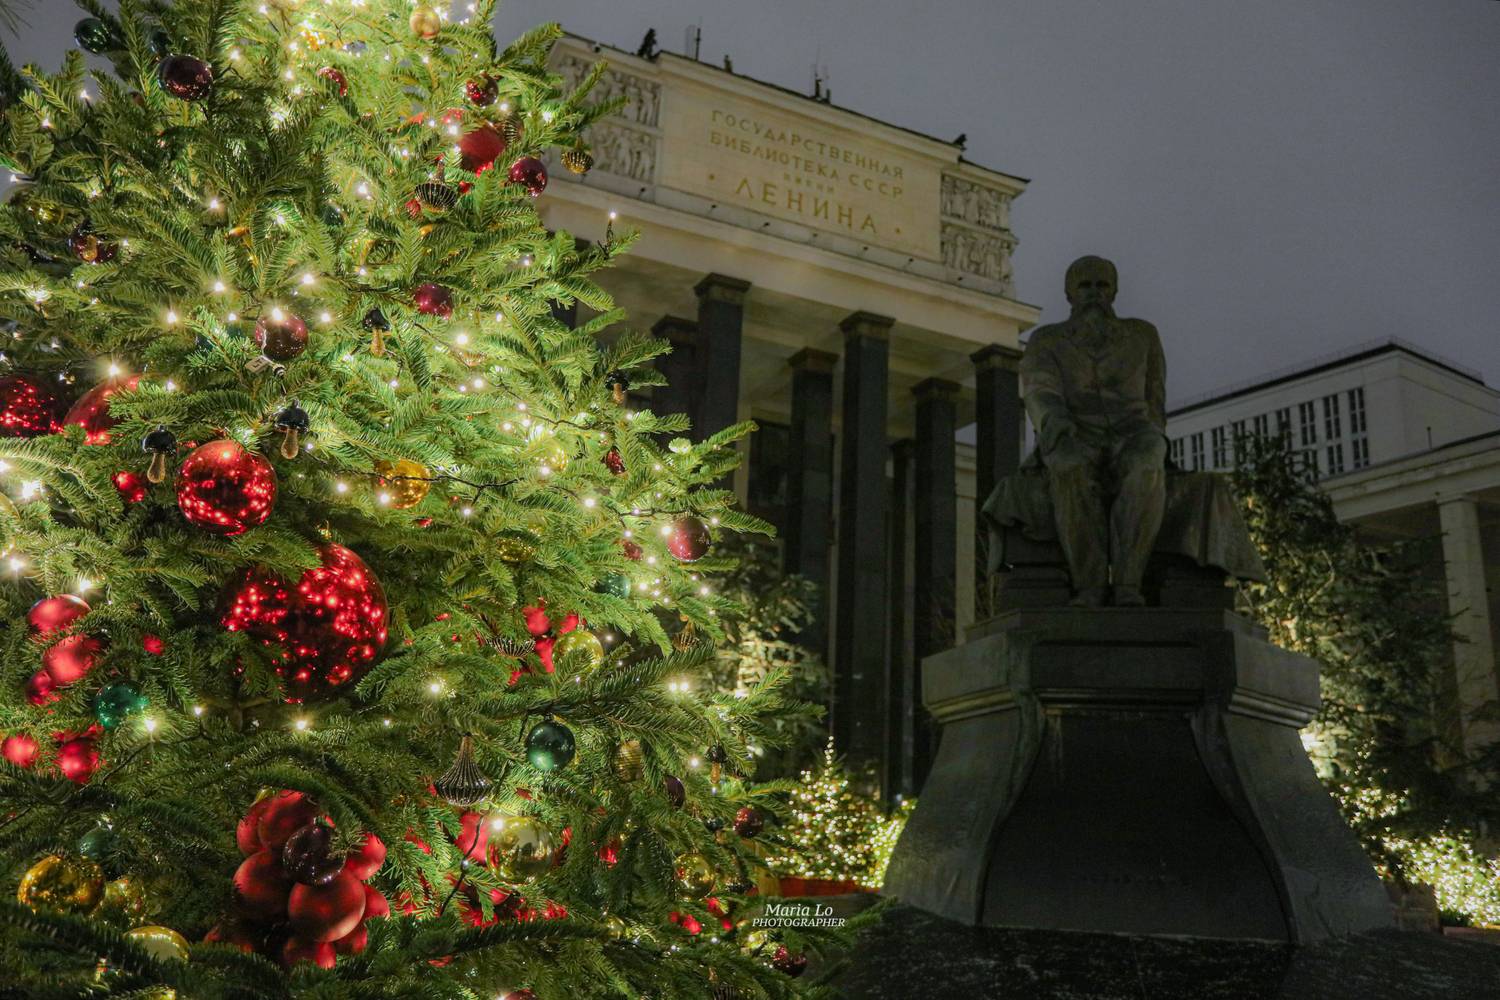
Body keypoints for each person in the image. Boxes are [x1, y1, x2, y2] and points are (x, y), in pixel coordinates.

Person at [1020, 255, 1166, 606]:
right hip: (1075, 430)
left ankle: (1129, 584)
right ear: (1069, 294)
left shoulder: (1143, 334)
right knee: (1069, 465)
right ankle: (1090, 585)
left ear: (1114, 291)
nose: (1094, 293)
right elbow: (1040, 391)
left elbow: (1155, 396)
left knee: (1146, 463)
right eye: (1085, 286)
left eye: (1102, 285)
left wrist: (1153, 435)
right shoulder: (1046, 340)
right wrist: (1056, 425)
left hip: (1133, 431)